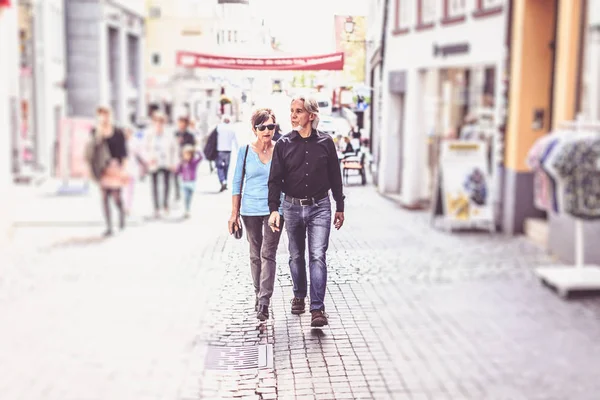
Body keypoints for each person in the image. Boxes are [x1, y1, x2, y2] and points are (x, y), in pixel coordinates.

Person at [267, 96, 345, 328]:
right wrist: (274, 209)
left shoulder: (326, 143)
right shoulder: (283, 144)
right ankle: (299, 294)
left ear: (311, 116)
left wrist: (340, 206)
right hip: (291, 207)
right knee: (296, 256)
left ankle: (317, 309)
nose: (293, 115)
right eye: (291, 110)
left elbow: (335, 177)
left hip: (320, 206)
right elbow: (274, 180)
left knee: (317, 256)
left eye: (298, 111)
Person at [228, 108, 285, 321]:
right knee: (255, 254)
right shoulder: (244, 151)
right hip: (249, 210)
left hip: (274, 210)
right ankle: (258, 294)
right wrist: (234, 213)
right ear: (255, 129)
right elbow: (236, 182)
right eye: (263, 127)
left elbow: (286, 180)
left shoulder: (281, 149)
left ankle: (264, 302)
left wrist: (281, 209)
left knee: (268, 253)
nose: (267, 131)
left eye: (271, 126)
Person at [86, 105, 128, 237]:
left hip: (115, 167)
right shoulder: (94, 131)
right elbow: (91, 152)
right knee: (104, 197)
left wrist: (123, 170)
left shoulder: (118, 132)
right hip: (102, 168)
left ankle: (121, 216)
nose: (103, 117)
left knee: (116, 197)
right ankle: (109, 226)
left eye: (106, 114)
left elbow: (124, 152)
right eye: (100, 114)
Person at [143, 111, 178, 218]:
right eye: (156, 121)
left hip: (167, 162)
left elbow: (174, 149)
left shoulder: (169, 133)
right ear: (153, 122)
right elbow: (145, 148)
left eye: (161, 121)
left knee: (167, 185)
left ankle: (165, 205)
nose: (159, 124)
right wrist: (148, 159)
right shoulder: (149, 133)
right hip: (154, 162)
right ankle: (156, 208)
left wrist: (174, 163)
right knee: (154, 186)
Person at [174, 116, 197, 202]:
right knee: (175, 176)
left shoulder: (190, 135)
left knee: (186, 177)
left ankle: (186, 192)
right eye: (179, 122)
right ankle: (177, 193)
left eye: (182, 123)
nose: (181, 125)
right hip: (177, 158)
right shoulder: (175, 134)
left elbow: (192, 147)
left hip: (186, 159)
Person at [176, 144, 203, 218]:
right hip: (184, 183)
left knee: (189, 197)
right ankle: (187, 210)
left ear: (191, 155)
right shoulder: (182, 163)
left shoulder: (193, 162)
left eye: (188, 154)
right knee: (186, 197)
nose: (186, 156)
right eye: (185, 155)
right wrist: (177, 169)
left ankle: (188, 208)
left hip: (191, 183)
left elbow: (201, 158)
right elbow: (178, 171)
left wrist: (197, 151)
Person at [216, 115, 238, 192]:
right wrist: (238, 151)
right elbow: (236, 141)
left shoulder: (218, 128)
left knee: (219, 167)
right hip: (228, 150)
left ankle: (223, 181)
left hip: (219, 150)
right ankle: (225, 181)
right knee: (226, 167)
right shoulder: (232, 129)